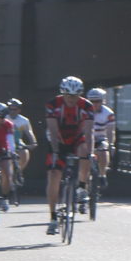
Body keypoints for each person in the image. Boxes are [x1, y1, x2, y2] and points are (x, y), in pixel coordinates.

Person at [44, 76, 96, 235]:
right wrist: (55, 151)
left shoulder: (87, 106)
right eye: (68, 96)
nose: (71, 99)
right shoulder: (53, 105)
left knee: (84, 151)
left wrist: (90, 153)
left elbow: (88, 133)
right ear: (63, 94)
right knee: (54, 174)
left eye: (75, 96)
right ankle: (53, 217)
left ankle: (81, 187)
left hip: (77, 138)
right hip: (58, 139)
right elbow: (53, 130)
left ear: (80, 95)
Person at [6, 99, 37, 199]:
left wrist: (33, 143)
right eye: (10, 109)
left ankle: (18, 171)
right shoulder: (4, 118)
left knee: (25, 152)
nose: (12, 111)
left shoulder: (24, 120)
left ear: (19, 110)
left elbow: (29, 133)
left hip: (17, 143)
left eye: (14, 109)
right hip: (5, 143)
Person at [88, 88, 118, 189]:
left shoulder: (108, 113)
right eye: (92, 101)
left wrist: (111, 145)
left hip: (100, 137)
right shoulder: (84, 111)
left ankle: (102, 174)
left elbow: (110, 131)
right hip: (87, 137)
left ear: (102, 101)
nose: (94, 104)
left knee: (104, 149)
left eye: (97, 101)